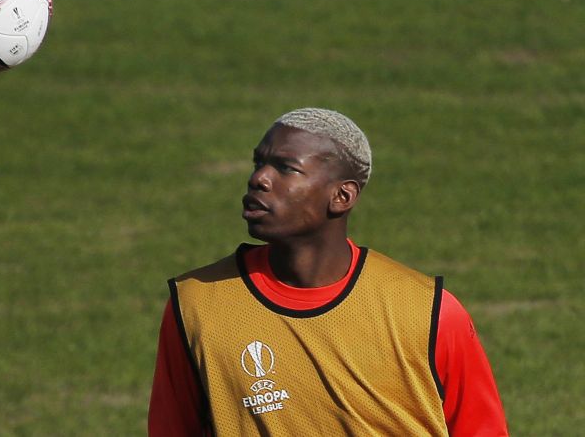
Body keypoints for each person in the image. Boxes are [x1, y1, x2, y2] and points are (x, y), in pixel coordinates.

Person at [148, 108, 508, 436]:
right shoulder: (198, 303)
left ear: (342, 197)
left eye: (286, 168)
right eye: (259, 163)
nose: (259, 179)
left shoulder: (426, 311)